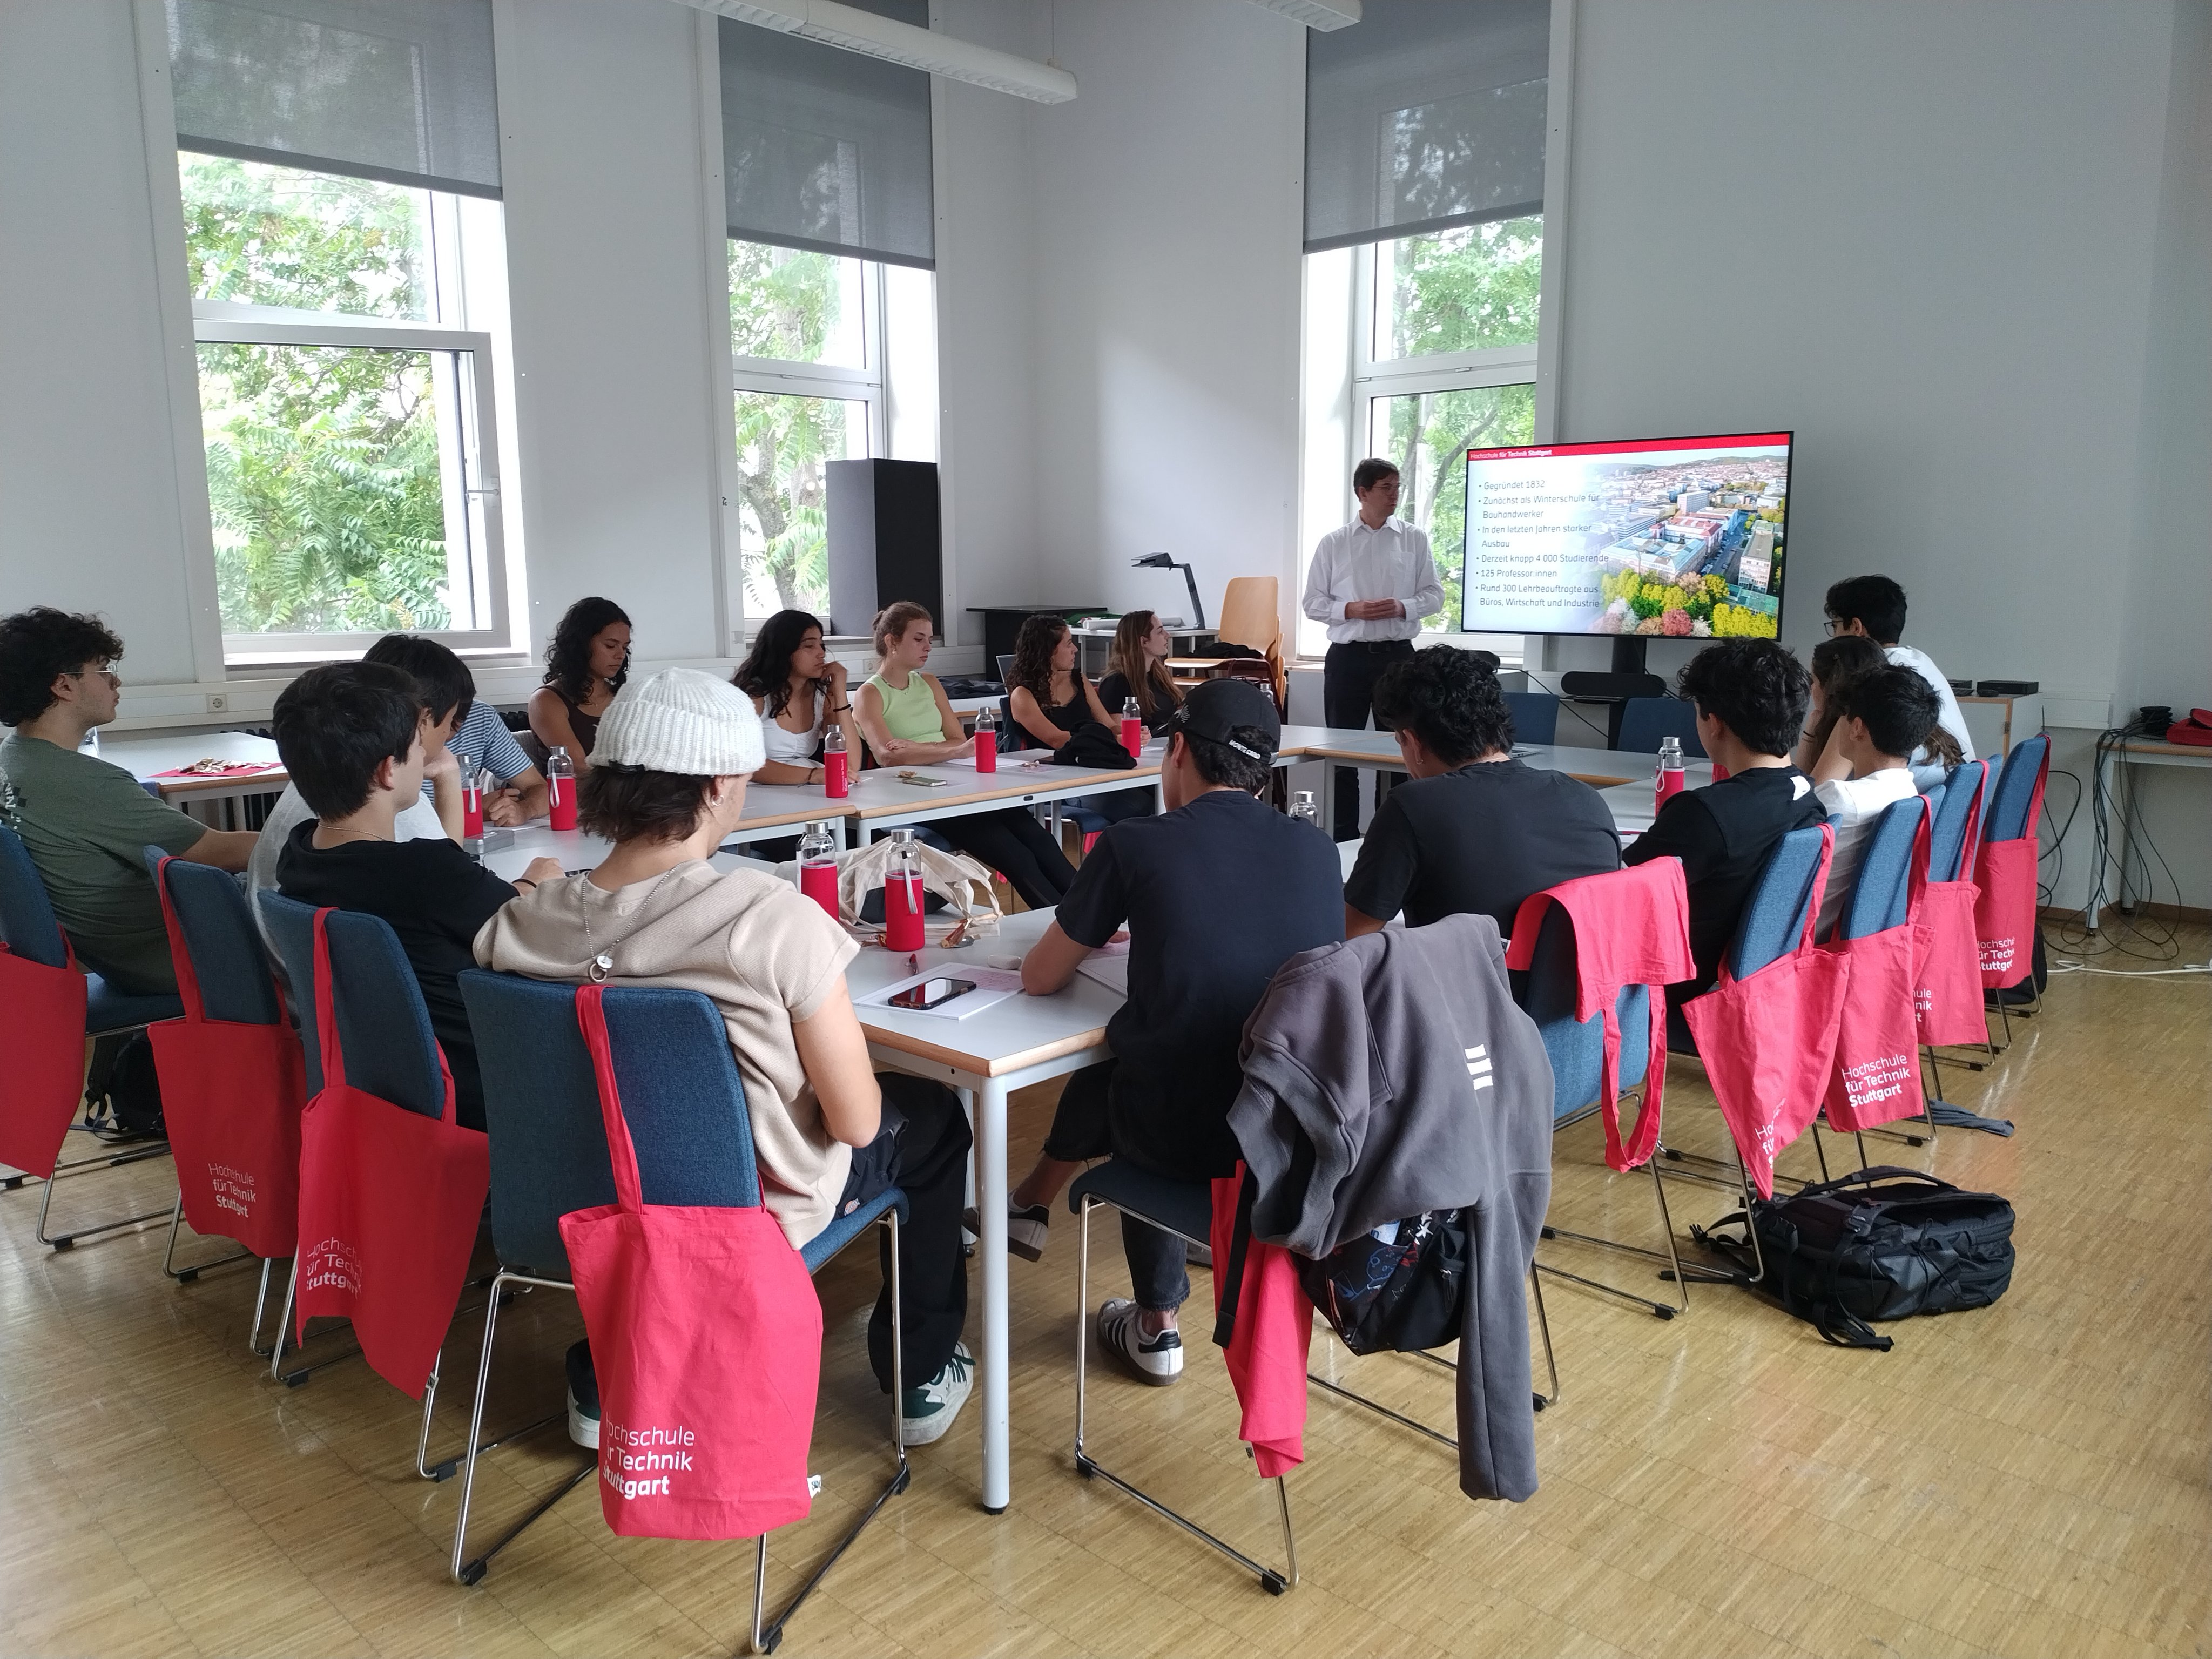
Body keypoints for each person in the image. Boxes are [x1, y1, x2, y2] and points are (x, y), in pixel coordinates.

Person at [475, 669, 975, 1449]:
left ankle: (607, 1380)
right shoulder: (770, 920)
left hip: (576, 1204)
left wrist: (542, 881)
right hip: (741, 1219)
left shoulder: (521, 926)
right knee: (934, 1117)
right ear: (717, 786)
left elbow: (538, 913)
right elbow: (855, 1121)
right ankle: (917, 1378)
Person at [996, 679, 1343, 1383]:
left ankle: (1157, 1325)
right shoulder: (1317, 851)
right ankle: (1030, 1205)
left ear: (1177, 748)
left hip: (1185, 1136)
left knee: (1144, 1064)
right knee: (1152, 1051)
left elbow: (1039, 977)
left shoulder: (1136, 843)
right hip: (1293, 1137)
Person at [272, 663, 563, 1131]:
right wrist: (536, 884)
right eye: (416, 746)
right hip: (483, 1082)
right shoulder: (423, 873)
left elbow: (451, 895)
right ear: (389, 770)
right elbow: (532, 927)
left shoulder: (302, 853)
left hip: (392, 1080)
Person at [0, 607, 254, 994]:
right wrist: (317, 840)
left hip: (121, 960)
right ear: (64, 686)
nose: (115, 681)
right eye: (102, 670)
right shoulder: (81, 782)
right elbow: (216, 852)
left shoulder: (13, 759)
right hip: (185, 958)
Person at [1344, 646, 1621, 939]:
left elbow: (1350, 936)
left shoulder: (1415, 806)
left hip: (1464, 982)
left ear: (1413, 741)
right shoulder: (1584, 798)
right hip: (1579, 982)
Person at [1623, 640, 1826, 1020]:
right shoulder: (1804, 797)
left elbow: (1622, 893)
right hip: (1751, 983)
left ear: (1714, 723)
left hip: (1674, 989)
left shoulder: (1705, 813)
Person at [246, 637, 468, 954]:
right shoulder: (383, 804)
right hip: (367, 995)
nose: (447, 737)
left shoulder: (319, 797)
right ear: (421, 719)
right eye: (449, 723)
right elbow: (450, 888)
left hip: (311, 989)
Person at [854, 602, 1077, 909]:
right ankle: (1069, 929)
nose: (928, 647)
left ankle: (1092, 916)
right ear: (892, 641)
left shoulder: (930, 683)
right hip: (916, 795)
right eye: (919, 639)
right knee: (1017, 857)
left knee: (1040, 840)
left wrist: (917, 748)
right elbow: (888, 756)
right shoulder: (870, 693)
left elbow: (958, 739)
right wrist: (949, 751)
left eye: (930, 640)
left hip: (958, 782)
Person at [1300, 458, 1445, 839]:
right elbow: (1312, 602)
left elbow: (1435, 596)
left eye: (1398, 487)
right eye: (1386, 487)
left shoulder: (1414, 538)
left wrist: (1403, 607)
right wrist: (1350, 609)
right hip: (1348, 658)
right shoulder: (1334, 543)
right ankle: (1343, 836)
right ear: (1363, 493)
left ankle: (1395, 836)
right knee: (1341, 752)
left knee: (1404, 751)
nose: (1395, 494)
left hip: (1399, 656)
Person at [1808, 665, 1941, 940]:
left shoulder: (1841, 799)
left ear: (1857, 728)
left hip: (1807, 934)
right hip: (1848, 933)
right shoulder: (1909, 794)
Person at [373, 633, 549, 827]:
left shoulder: (480, 717)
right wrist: (465, 811)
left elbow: (538, 787)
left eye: (457, 715)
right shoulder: (368, 741)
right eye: (445, 718)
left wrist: (524, 809)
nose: (449, 732)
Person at [1822, 575, 1974, 788]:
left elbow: (1822, 785)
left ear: (1856, 627)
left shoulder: (1872, 680)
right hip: (1948, 806)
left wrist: (1818, 713)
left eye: (1835, 625)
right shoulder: (1917, 659)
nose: (1833, 636)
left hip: (1914, 810)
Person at [1006, 613, 1149, 826]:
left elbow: (1107, 725)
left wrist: (1128, 734)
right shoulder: (1022, 695)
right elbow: (1057, 739)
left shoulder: (1078, 680)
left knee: (1159, 796)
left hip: (1096, 768)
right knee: (1142, 808)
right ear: (1048, 650)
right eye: (1069, 644)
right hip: (1060, 779)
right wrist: (1107, 742)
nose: (1075, 650)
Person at [731, 609, 862, 790]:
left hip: (804, 792)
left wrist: (840, 693)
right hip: (757, 794)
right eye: (809, 646)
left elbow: (850, 765)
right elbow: (743, 763)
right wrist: (812, 775)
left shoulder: (820, 696)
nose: (821, 653)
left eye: (821, 644)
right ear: (784, 650)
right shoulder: (756, 695)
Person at [529, 597, 632, 774]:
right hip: (581, 797)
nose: (620, 655)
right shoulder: (547, 700)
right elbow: (578, 768)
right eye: (610, 646)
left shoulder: (624, 696)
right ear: (581, 645)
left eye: (625, 647)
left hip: (632, 794)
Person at [1794, 634, 1888, 775]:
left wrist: (1811, 729)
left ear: (1830, 688)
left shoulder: (1854, 725)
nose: (1811, 687)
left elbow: (1811, 792)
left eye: (1813, 680)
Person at [1096, 609, 1183, 737]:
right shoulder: (1116, 683)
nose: (1167, 635)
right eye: (1160, 632)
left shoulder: (1159, 675)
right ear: (1144, 641)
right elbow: (1119, 734)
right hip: (1145, 749)